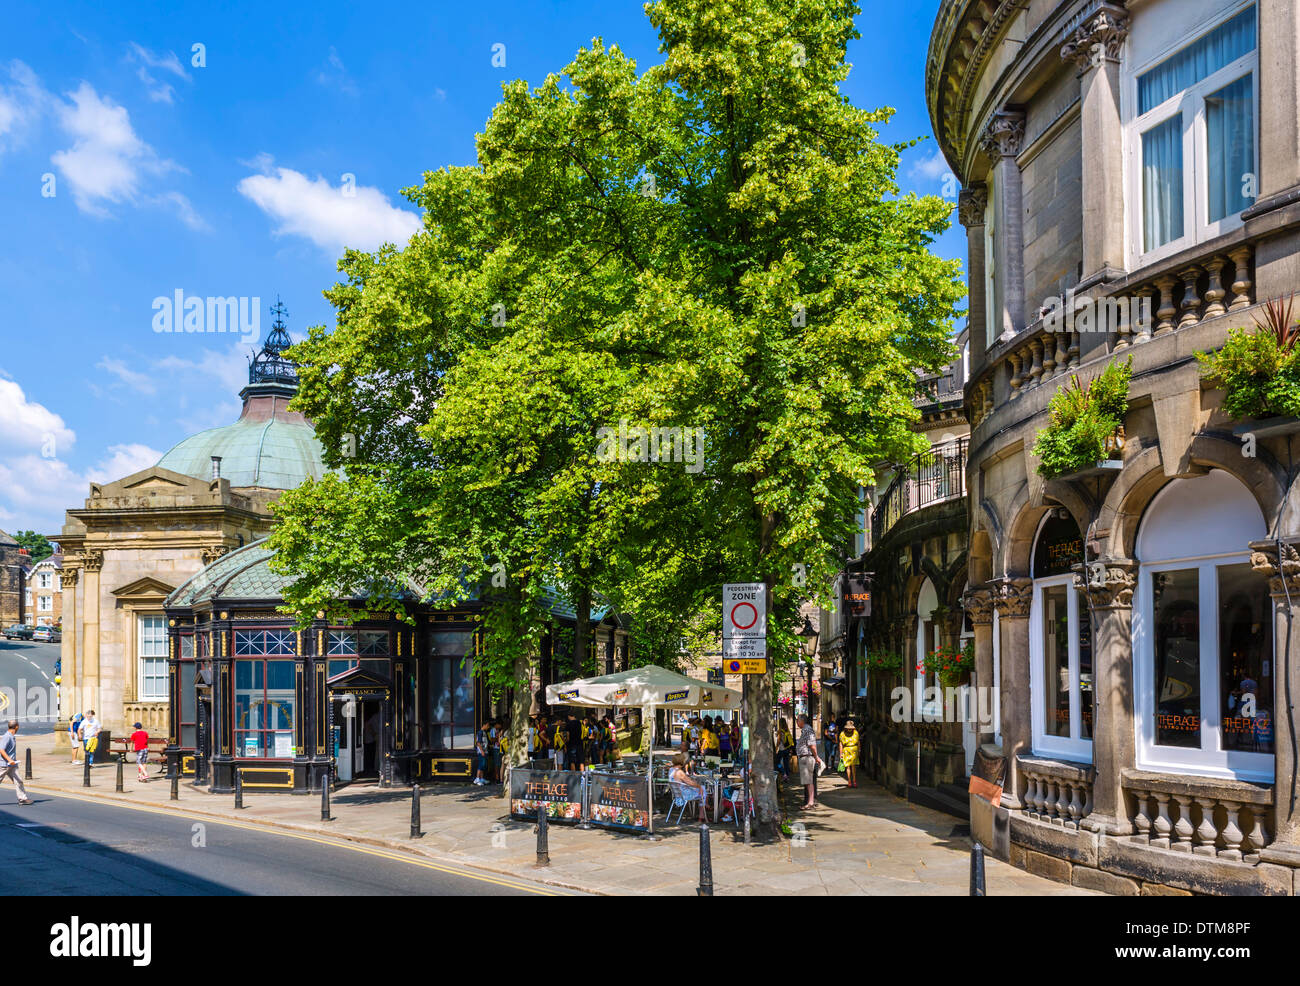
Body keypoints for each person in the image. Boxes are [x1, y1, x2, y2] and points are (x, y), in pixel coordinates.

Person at [668, 753, 708, 822]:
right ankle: (702, 816)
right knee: (703, 789)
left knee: (700, 789)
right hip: (684, 795)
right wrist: (699, 786)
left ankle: (704, 808)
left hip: (677, 794)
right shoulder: (679, 772)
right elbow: (690, 782)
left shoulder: (671, 770)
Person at [795, 714, 824, 809]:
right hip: (805, 757)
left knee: (809, 781)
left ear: (802, 721)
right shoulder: (805, 730)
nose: (797, 722)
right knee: (807, 781)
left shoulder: (807, 730)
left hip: (807, 758)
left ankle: (810, 802)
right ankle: (809, 801)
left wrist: (816, 757)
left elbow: (812, 745)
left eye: (797, 720)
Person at [1, 720, 31, 805]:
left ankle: (22, 799)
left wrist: (12, 761)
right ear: (16, 726)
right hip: (4, 765)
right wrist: (9, 760)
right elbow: (1, 750)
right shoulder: (7, 736)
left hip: (12, 765)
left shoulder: (11, 736)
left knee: (19, 780)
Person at [838, 719, 860, 788]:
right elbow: (858, 743)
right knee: (851, 766)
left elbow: (841, 744)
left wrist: (841, 753)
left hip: (848, 750)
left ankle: (851, 781)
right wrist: (859, 750)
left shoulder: (842, 734)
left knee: (849, 767)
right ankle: (853, 781)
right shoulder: (855, 733)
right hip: (852, 750)